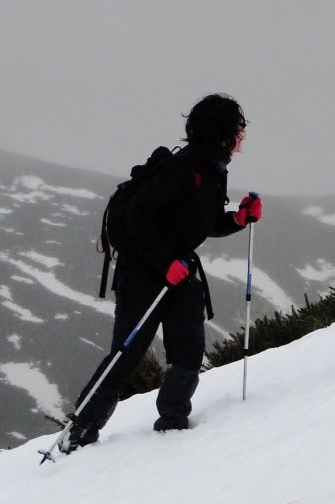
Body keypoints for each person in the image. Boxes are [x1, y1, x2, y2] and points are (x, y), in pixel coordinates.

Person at [62, 93, 263, 452]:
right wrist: (163, 262)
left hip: (179, 270)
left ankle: (172, 421)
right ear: (222, 132)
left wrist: (238, 219)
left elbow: (204, 223)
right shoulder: (184, 167)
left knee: (188, 347)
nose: (241, 137)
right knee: (128, 352)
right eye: (239, 129)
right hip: (143, 271)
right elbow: (139, 216)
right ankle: (81, 430)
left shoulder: (214, 169)